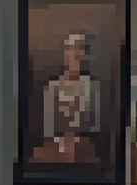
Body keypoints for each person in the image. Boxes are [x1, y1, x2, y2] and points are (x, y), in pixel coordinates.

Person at [34, 31, 99, 164]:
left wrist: (75, 139)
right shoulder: (53, 88)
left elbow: (92, 125)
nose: (75, 54)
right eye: (71, 49)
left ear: (84, 54)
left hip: (81, 149)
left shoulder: (91, 88)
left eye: (80, 49)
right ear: (65, 53)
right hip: (56, 148)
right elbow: (49, 126)